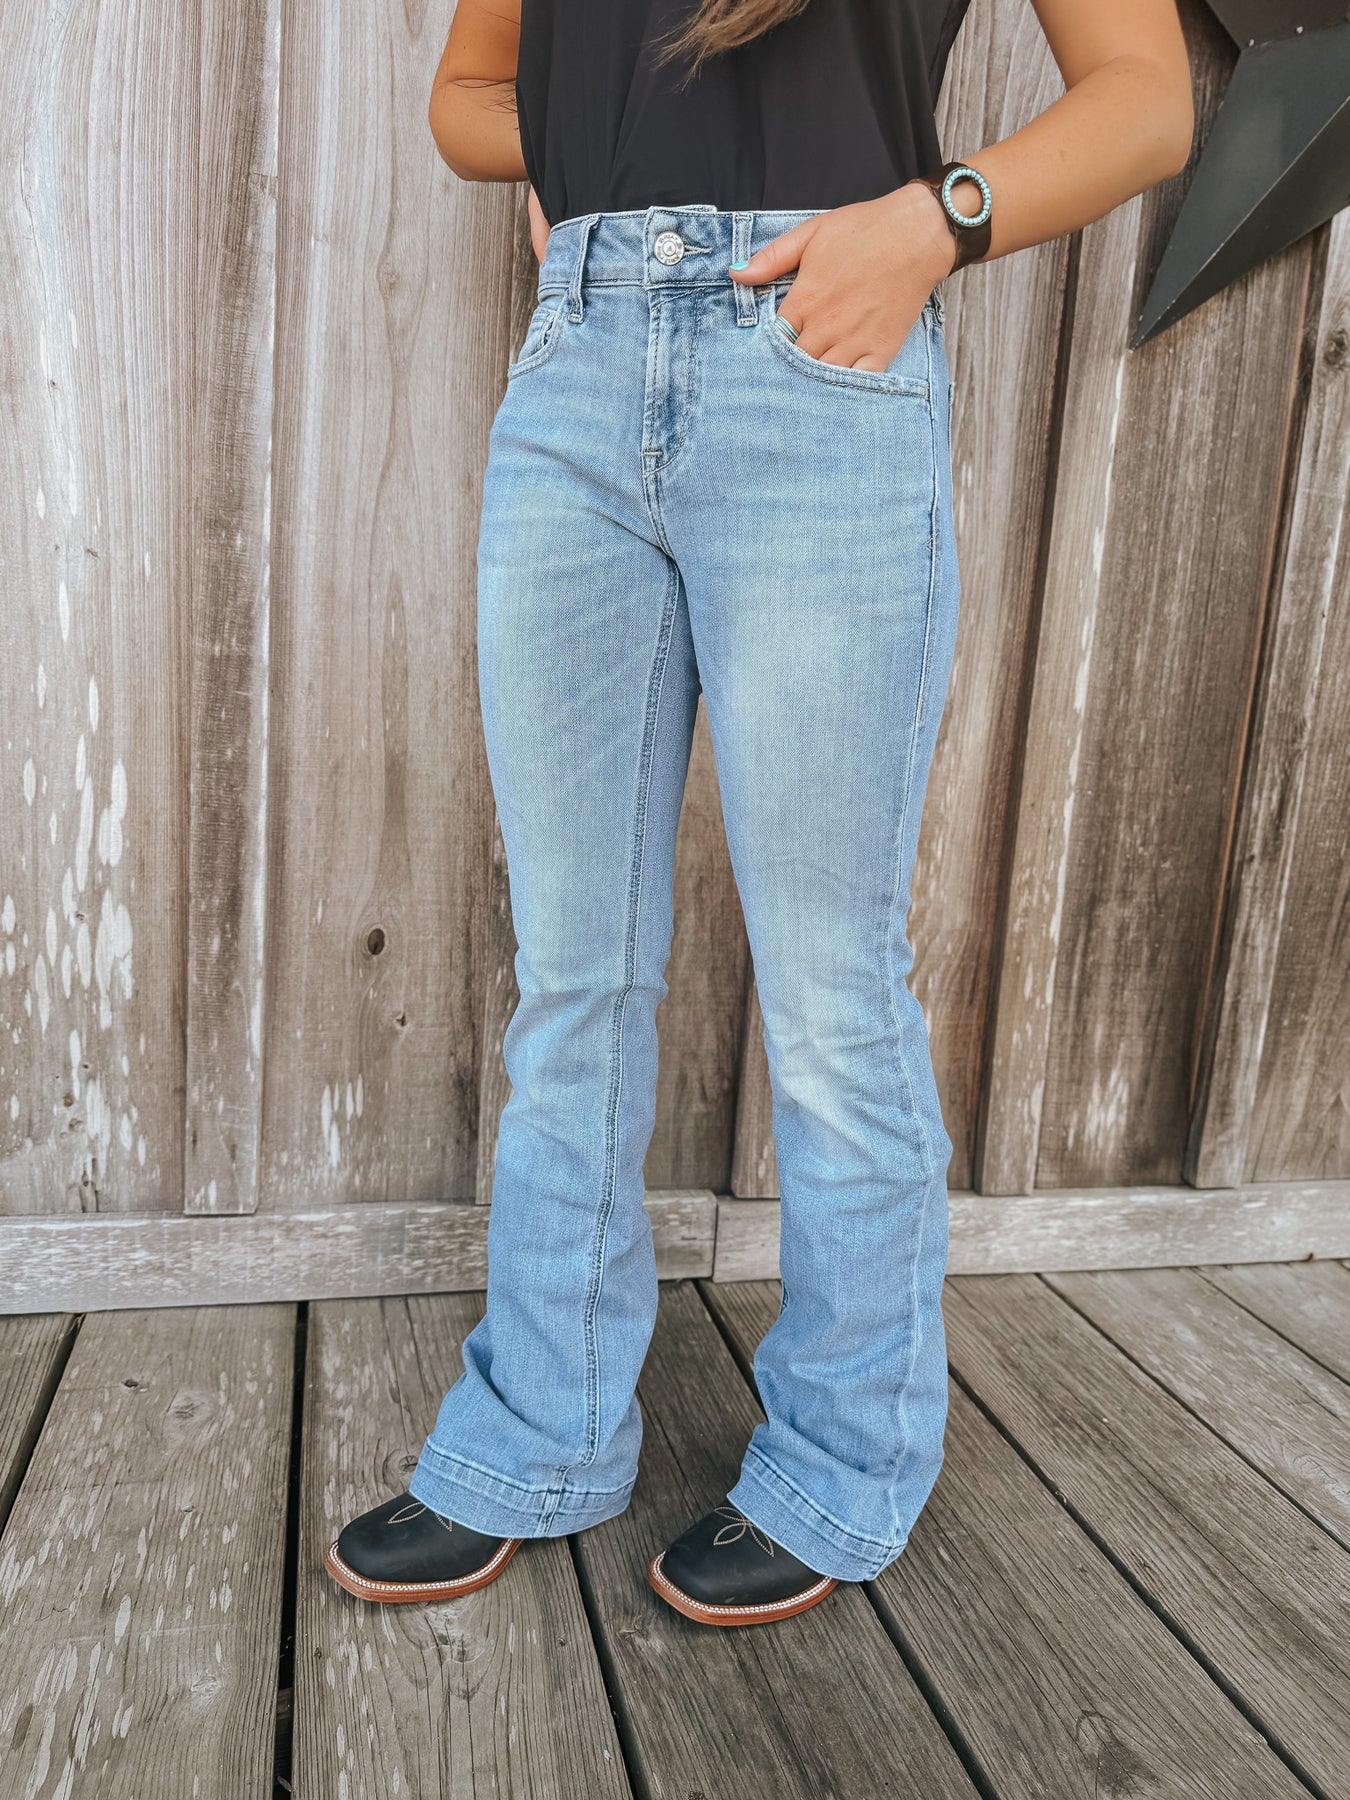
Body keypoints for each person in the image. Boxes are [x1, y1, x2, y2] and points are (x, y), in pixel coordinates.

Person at [324, 0, 1193, 1627]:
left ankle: (841, 1462)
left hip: (816, 365)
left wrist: (931, 223)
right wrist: (579, 165)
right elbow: (466, 95)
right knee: (573, 974)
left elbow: (1146, 98)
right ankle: (538, 1429)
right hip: (578, 375)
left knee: (831, 988)